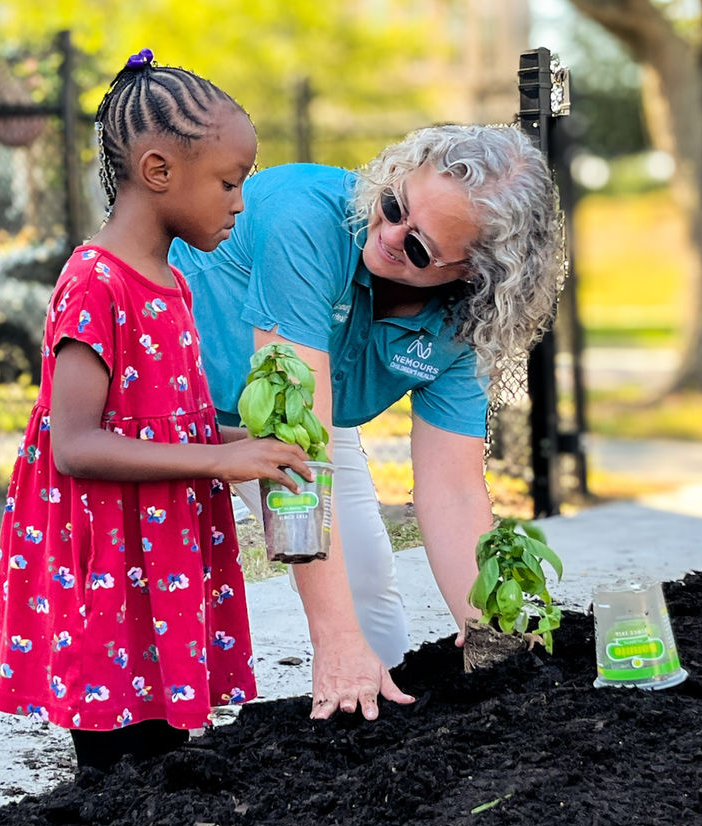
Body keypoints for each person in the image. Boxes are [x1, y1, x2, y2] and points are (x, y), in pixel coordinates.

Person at [170, 123, 564, 721]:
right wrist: (332, 639)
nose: (387, 235)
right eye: (393, 205)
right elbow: (293, 442)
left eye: (419, 249)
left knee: (368, 591)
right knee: (163, 599)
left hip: (302, 422)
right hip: (168, 405)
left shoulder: (468, 322)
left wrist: (497, 637)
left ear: (476, 275)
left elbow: (455, 490)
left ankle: (370, 721)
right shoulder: (304, 219)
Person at [0, 48, 311, 772]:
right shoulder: (95, 281)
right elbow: (74, 445)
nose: (239, 202)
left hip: (160, 559)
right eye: (230, 182)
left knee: (163, 760)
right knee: (116, 768)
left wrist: (247, 441)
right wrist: (219, 459)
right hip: (108, 563)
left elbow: (169, 423)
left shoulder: (173, 283)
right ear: (159, 171)